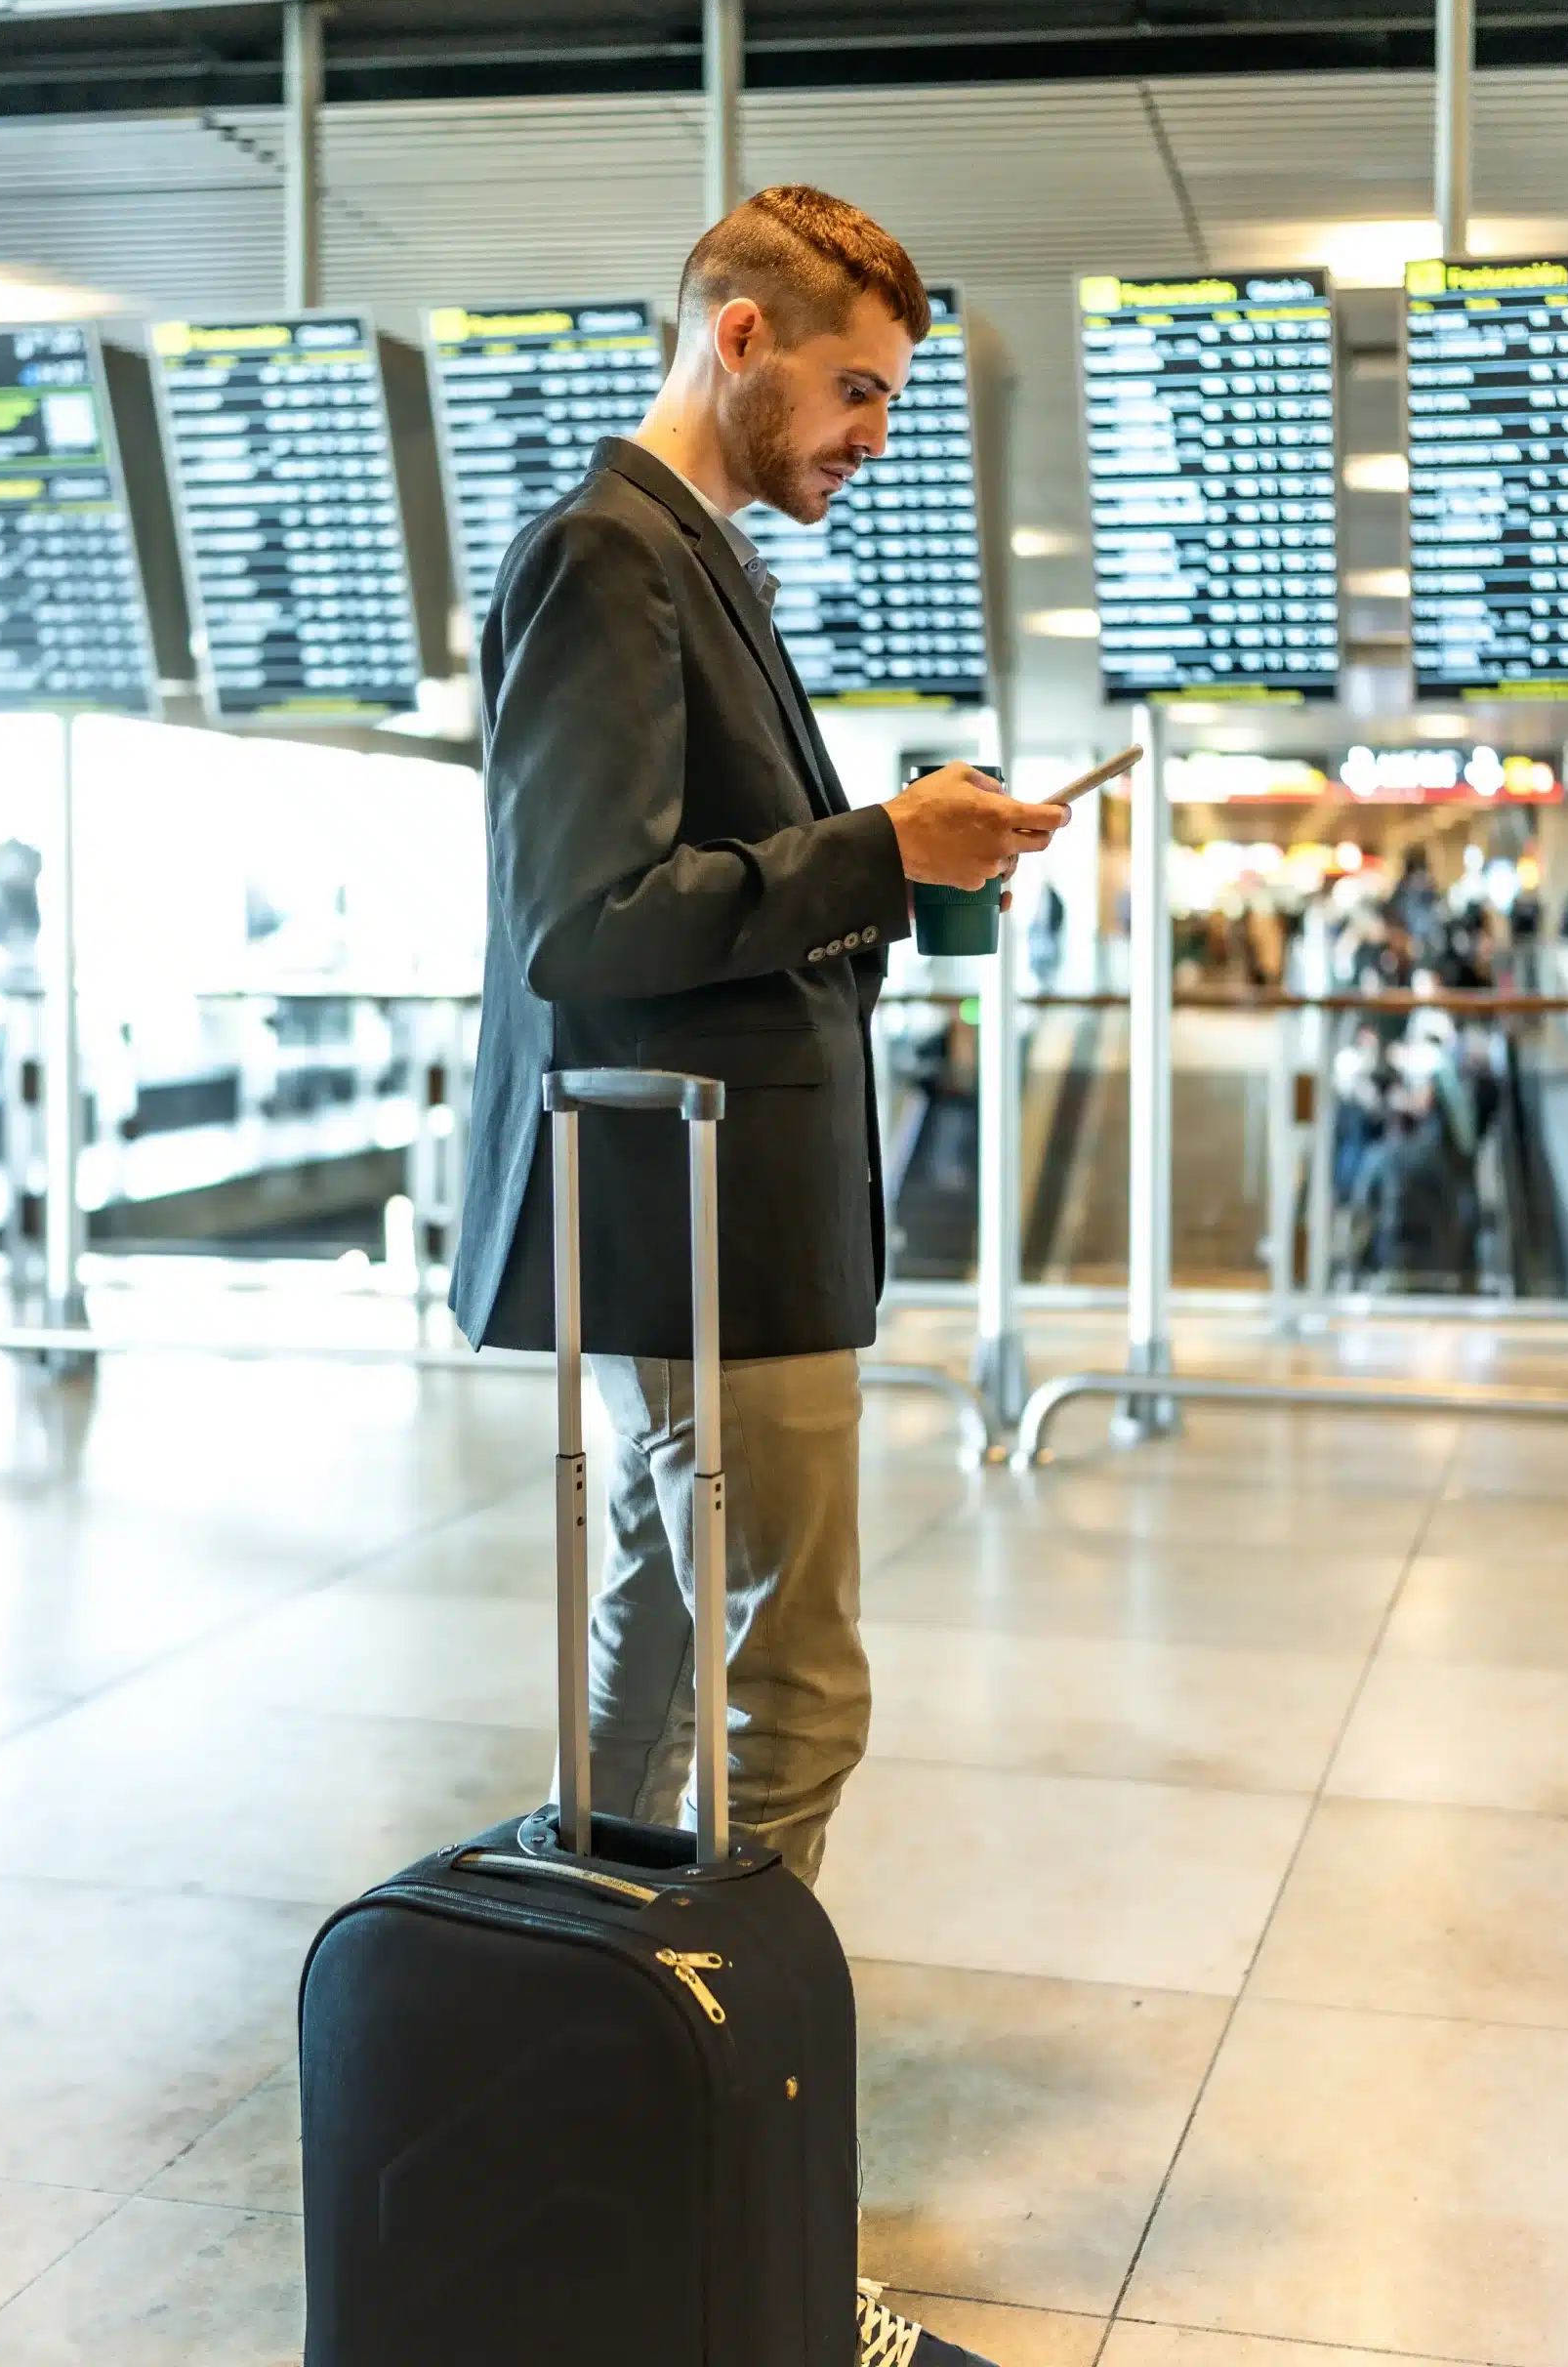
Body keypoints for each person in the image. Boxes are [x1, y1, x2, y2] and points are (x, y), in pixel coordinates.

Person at [451, 182, 1065, 2367]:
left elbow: (682, 890)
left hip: (719, 1214)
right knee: (792, 1671)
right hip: (692, 1218)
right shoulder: (610, 551)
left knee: (659, 1619)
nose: (871, 433)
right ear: (735, 332)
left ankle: (611, 2064)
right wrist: (873, 844)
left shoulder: (683, 557)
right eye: (855, 388)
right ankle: (721, 2100)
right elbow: (585, 922)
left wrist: (904, 859)